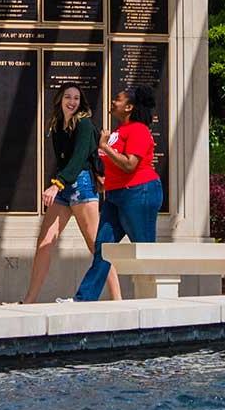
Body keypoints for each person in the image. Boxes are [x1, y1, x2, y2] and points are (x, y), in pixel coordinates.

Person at [76, 85, 163, 302]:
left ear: (129, 107)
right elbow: (114, 164)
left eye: (118, 99)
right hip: (115, 196)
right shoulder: (118, 132)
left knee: (143, 248)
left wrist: (105, 147)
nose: (113, 102)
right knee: (103, 248)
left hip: (139, 193)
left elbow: (130, 165)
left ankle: (155, 298)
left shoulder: (139, 130)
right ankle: (84, 299)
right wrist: (101, 176)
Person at [22, 86, 104, 303]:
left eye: (76, 98)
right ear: (60, 99)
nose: (72, 101)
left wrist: (56, 184)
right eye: (68, 96)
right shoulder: (57, 125)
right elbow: (63, 160)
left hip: (82, 185)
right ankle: (29, 300)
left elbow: (78, 159)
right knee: (44, 242)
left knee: (96, 246)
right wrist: (59, 184)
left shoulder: (84, 124)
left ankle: (118, 299)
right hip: (64, 185)